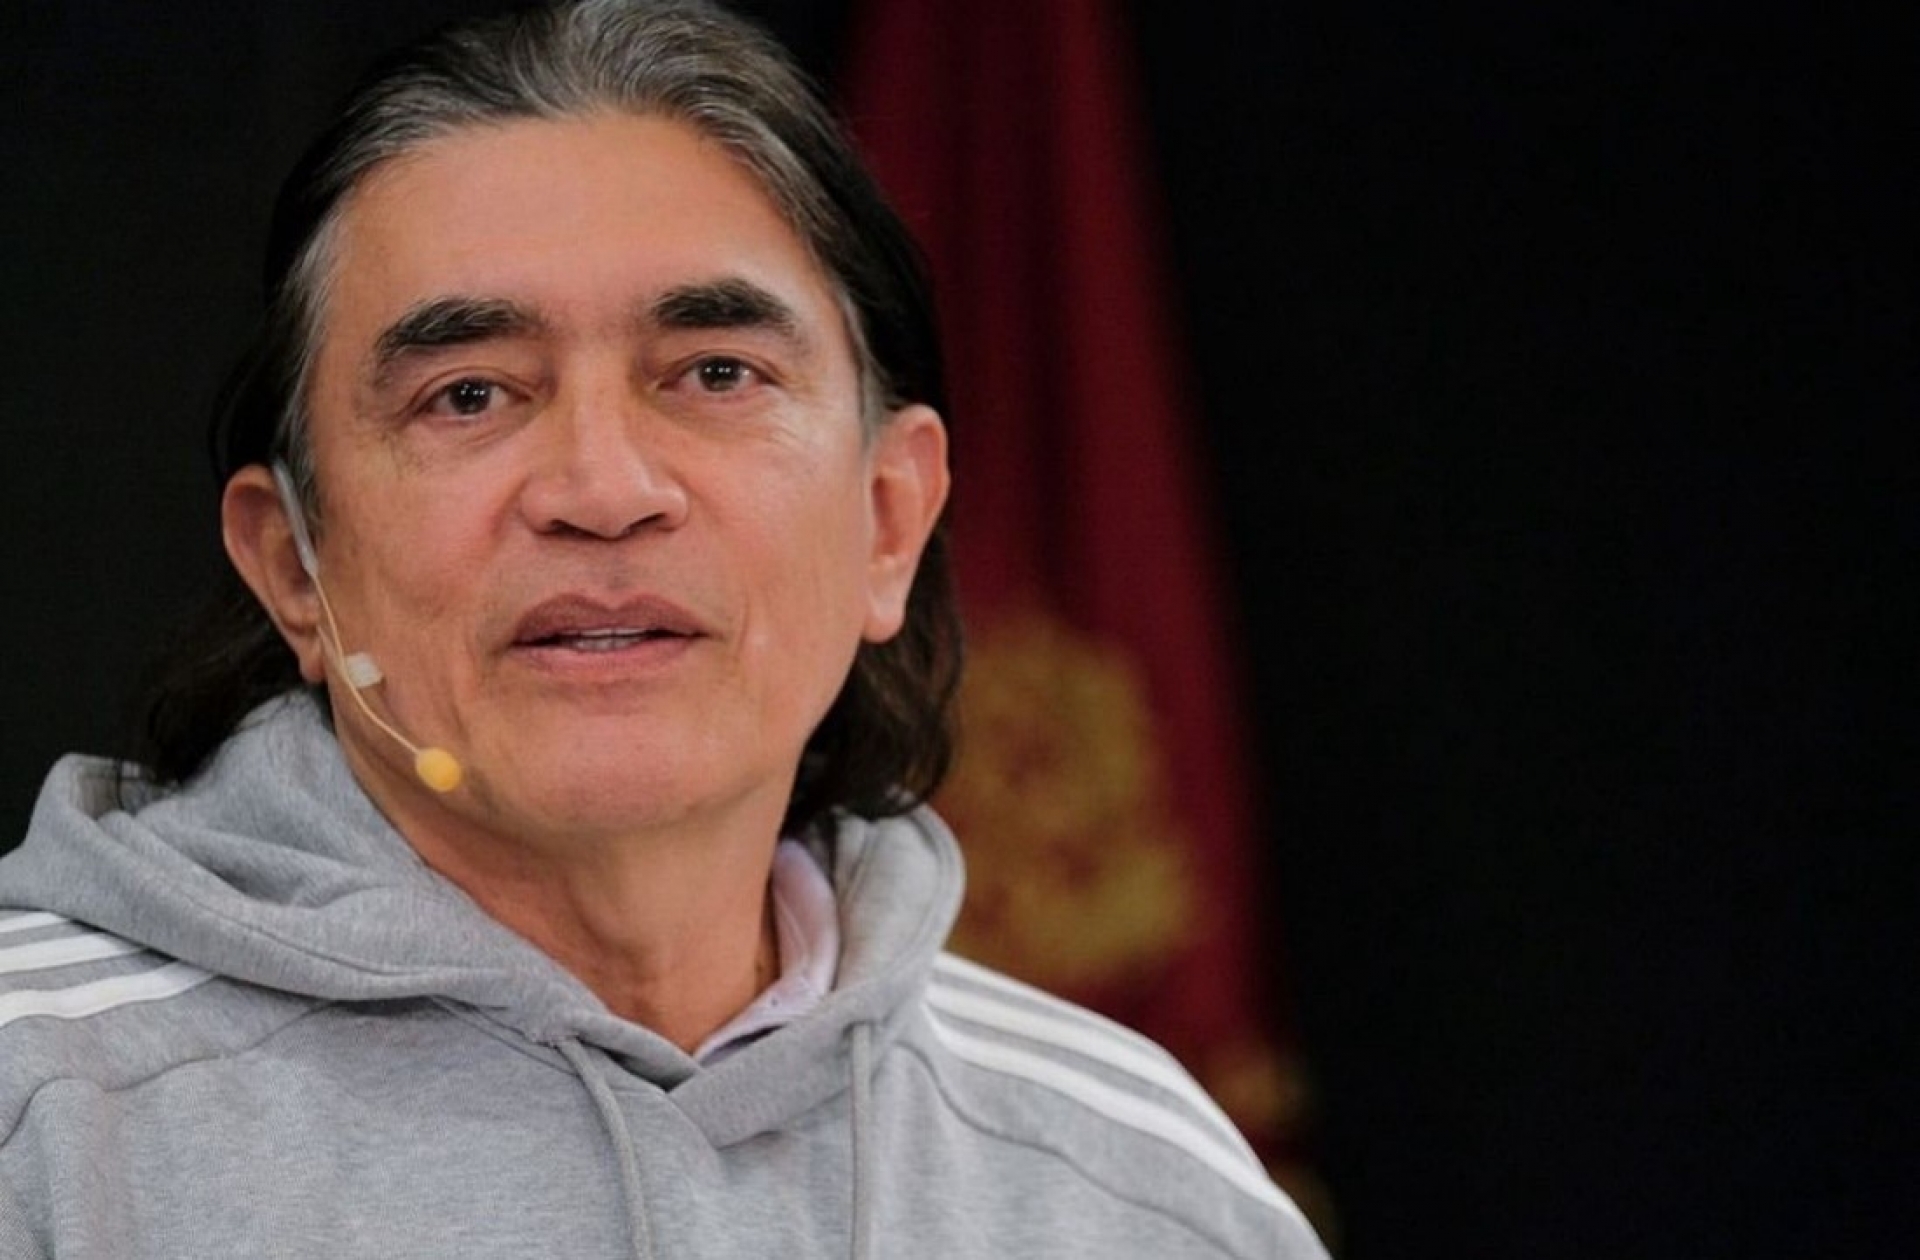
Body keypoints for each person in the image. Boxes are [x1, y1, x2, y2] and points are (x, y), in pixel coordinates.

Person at [0, 2, 1327, 1256]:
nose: (603, 490)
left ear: (888, 523)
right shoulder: (38, 1121)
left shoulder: (1142, 1192)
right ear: (295, 564)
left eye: (715, 374)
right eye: (469, 395)